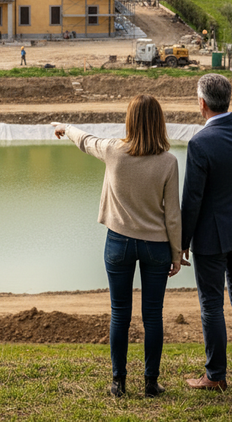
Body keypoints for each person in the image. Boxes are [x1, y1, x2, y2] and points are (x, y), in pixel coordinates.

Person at [52, 94, 182, 398]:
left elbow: (85, 140)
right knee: (153, 315)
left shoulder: (113, 151)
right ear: (159, 123)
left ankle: (118, 383)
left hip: (119, 244)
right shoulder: (169, 162)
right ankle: (151, 383)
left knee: (119, 313)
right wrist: (176, 254)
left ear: (130, 120)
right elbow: (173, 214)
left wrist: (64, 127)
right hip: (156, 247)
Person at [180, 75, 232, 391]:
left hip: (211, 239)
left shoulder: (200, 144)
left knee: (212, 305)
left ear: (202, 104)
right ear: (228, 100)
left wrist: (182, 242)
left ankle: (215, 376)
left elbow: (192, 199)